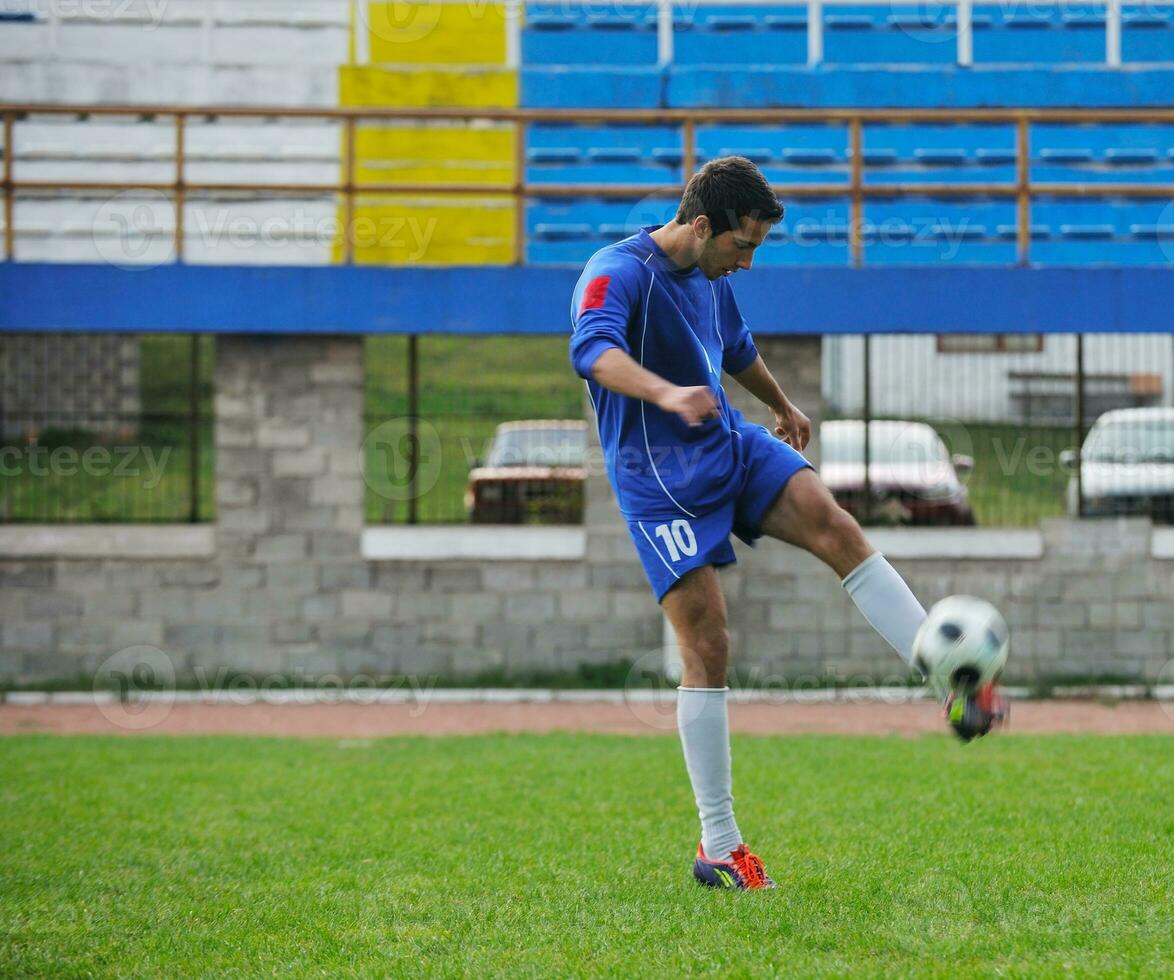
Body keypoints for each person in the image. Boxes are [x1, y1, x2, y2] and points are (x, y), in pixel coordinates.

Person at [568, 156, 1004, 892]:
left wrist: (782, 405)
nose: (748, 260)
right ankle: (719, 846)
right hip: (659, 483)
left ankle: (951, 682)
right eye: (744, 244)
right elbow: (593, 352)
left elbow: (735, 349)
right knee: (708, 643)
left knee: (838, 528)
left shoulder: (713, 278)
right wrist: (667, 395)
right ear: (702, 226)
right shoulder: (618, 271)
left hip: (731, 446)